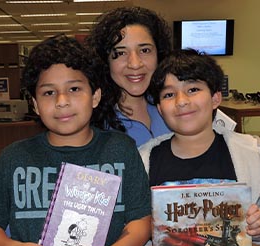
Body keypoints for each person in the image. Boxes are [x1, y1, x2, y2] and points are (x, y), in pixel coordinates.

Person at [0, 35, 152, 246]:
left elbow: (140, 220)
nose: (62, 101)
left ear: (96, 96)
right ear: (34, 103)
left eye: (74, 89)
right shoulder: (14, 158)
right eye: (48, 92)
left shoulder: (121, 150)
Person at [129, 49, 260, 246]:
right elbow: (125, 229)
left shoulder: (248, 154)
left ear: (215, 98)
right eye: (169, 94)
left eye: (193, 89)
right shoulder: (143, 160)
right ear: (160, 108)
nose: (182, 101)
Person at [86, 7, 234, 146]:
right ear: (106, 61)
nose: (135, 64)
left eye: (144, 50)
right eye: (120, 53)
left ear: (159, 54)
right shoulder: (92, 120)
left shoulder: (177, 104)